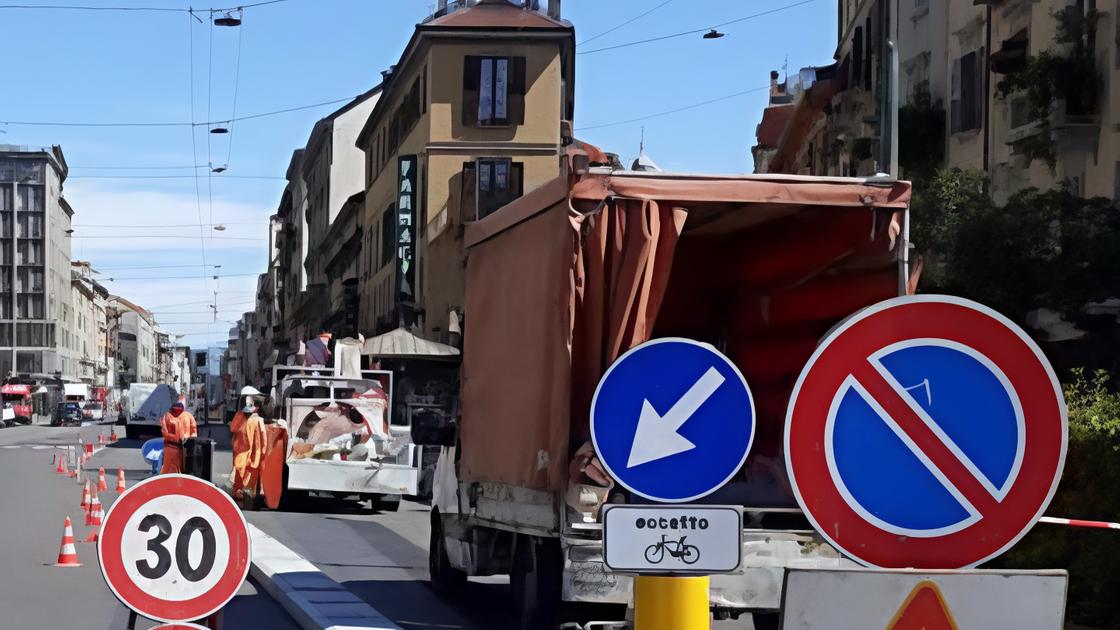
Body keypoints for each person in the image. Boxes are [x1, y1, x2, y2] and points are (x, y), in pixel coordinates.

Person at [231, 386, 267, 501]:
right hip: (242, 453)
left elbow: (261, 440)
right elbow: (234, 430)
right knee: (241, 472)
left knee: (247, 473)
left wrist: (260, 453)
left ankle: (244, 491)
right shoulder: (241, 417)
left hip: (249, 454)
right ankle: (240, 491)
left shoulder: (256, 420)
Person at [160, 398, 197, 474]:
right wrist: (177, 439)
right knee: (169, 467)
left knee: (182, 467)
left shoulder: (188, 416)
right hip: (173, 446)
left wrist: (190, 440)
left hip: (185, 446)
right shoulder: (168, 417)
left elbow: (194, 431)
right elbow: (165, 432)